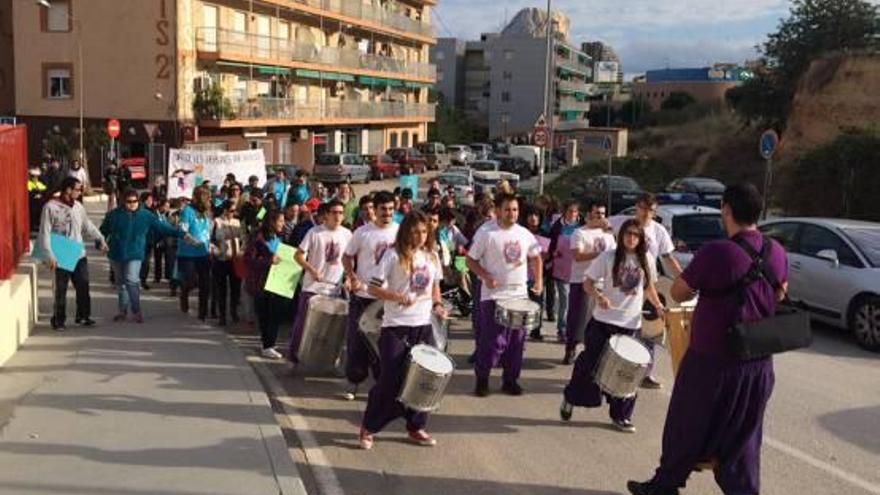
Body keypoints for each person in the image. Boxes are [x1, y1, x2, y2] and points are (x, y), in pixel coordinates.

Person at [627, 183, 788, 495]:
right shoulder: (776, 251)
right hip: (758, 363)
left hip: (712, 360)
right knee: (744, 437)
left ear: (726, 210)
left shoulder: (718, 251)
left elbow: (678, 291)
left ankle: (665, 485)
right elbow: (782, 292)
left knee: (685, 426)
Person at [559, 219, 665, 432]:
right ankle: (570, 398)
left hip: (630, 325)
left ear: (641, 239)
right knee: (589, 364)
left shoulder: (647, 260)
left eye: (636, 235)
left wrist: (658, 305)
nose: (631, 238)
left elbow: (649, 287)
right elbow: (587, 283)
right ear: (621, 235)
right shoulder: (607, 257)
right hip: (603, 323)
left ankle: (621, 416)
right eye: (628, 234)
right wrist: (599, 297)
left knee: (627, 372)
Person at [358, 211, 447, 450]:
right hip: (396, 326)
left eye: (425, 231)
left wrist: (437, 305)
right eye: (416, 231)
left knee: (422, 380)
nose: (420, 236)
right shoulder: (392, 255)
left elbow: (435, 286)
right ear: (406, 231)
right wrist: (397, 296)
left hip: (423, 325)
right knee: (390, 380)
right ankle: (369, 426)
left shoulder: (431, 256)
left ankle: (416, 426)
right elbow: (373, 288)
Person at [467, 193, 543, 397]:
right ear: (498, 210)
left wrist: (538, 281)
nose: (512, 214)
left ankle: (510, 380)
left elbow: (536, 258)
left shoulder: (525, 234)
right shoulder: (486, 232)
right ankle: (482, 379)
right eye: (508, 209)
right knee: (491, 341)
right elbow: (470, 260)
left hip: (519, 296)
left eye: (515, 210)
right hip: (493, 296)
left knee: (517, 342)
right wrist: (486, 276)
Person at [610, 193, 682, 389]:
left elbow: (668, 258)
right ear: (636, 207)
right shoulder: (622, 223)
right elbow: (600, 226)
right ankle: (613, 368)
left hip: (649, 285)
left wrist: (684, 279)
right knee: (622, 328)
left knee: (649, 330)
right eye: (642, 208)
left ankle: (646, 373)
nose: (646, 213)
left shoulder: (658, 231)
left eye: (651, 210)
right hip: (623, 284)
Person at [342, 191, 399, 399]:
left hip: (387, 299)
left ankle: (381, 386)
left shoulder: (400, 233)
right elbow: (347, 257)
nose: (387, 213)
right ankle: (354, 382)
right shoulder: (362, 233)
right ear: (374, 210)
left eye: (391, 209)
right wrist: (352, 276)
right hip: (363, 297)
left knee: (383, 345)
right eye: (383, 209)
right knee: (358, 342)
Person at [100, 189, 184, 323]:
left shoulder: (146, 215)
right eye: (129, 202)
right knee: (121, 284)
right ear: (123, 202)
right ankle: (122, 311)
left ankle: (136, 311)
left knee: (132, 280)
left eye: (135, 201)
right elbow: (103, 231)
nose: (132, 204)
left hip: (135, 253)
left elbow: (163, 227)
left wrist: (181, 234)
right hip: (117, 253)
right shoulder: (113, 215)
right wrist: (101, 243)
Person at [288, 199, 353, 365]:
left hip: (335, 289)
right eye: (334, 212)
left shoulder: (347, 234)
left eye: (340, 213)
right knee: (303, 325)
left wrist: (349, 278)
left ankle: (329, 360)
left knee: (333, 329)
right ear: (326, 215)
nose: (337, 216)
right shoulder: (314, 232)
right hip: (313, 287)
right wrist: (311, 269)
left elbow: (349, 259)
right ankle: (293, 358)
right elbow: (298, 255)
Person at [38, 177, 108, 330]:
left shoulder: (78, 206)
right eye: (77, 189)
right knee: (60, 289)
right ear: (68, 190)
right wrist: (49, 255)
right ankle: (58, 319)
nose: (80, 192)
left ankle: (83, 316)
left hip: (78, 252)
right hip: (60, 253)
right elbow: (44, 232)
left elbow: (87, 225)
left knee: (83, 284)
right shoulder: (50, 207)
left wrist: (100, 238)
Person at [563, 200, 616, 363]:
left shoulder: (608, 235)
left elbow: (614, 256)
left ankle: (594, 352)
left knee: (599, 321)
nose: (601, 217)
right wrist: (599, 255)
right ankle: (571, 347)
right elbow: (577, 256)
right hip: (582, 280)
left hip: (603, 283)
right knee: (577, 318)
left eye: (603, 214)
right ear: (588, 215)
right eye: (597, 214)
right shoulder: (579, 233)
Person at [244, 210, 287, 359]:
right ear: (272, 222)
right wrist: (268, 261)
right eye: (280, 221)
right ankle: (267, 345)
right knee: (264, 314)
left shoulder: (280, 237)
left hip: (277, 280)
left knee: (275, 314)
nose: (283, 224)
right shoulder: (258, 239)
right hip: (261, 282)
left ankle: (270, 343)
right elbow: (248, 260)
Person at [547, 201, 582, 342]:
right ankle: (562, 329)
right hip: (561, 268)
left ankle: (574, 329)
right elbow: (550, 245)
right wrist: (553, 253)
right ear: (565, 212)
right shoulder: (557, 227)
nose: (573, 215)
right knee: (564, 300)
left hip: (578, 270)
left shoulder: (582, 227)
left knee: (576, 303)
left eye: (575, 212)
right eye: (570, 211)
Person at [177, 186, 212, 321]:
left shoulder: (206, 213)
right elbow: (182, 231)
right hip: (188, 254)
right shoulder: (187, 211)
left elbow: (208, 232)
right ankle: (184, 292)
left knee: (205, 283)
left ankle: (202, 313)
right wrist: (193, 241)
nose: (209, 200)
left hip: (203, 253)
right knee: (192, 281)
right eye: (207, 197)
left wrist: (210, 246)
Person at [211, 200, 244, 326]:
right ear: (225, 210)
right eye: (231, 211)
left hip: (234, 258)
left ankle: (233, 311)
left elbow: (242, 239)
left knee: (235, 288)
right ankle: (222, 315)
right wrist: (216, 251)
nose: (233, 213)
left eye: (234, 211)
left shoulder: (237, 222)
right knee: (221, 289)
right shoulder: (217, 222)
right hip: (221, 259)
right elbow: (211, 240)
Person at [522, 206, 551, 341]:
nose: (533, 218)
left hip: (537, 273)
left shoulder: (544, 233)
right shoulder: (520, 232)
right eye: (530, 215)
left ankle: (536, 329)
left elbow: (547, 254)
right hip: (521, 273)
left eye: (536, 216)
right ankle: (521, 328)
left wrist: (545, 256)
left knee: (537, 302)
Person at [138, 192, 157, 290]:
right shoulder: (140, 211)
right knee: (140, 261)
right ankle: (138, 280)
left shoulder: (153, 211)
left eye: (152, 200)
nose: (151, 202)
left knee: (146, 262)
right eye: (149, 200)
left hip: (149, 240)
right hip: (141, 240)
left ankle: (143, 280)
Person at [28, 167, 48, 232]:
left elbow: (45, 190)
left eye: (36, 177)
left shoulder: (39, 183)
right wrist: (35, 194)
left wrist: (41, 194)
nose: (35, 178)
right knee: (33, 215)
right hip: (32, 203)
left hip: (40, 204)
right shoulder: (28, 183)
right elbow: (29, 192)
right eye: (34, 177)